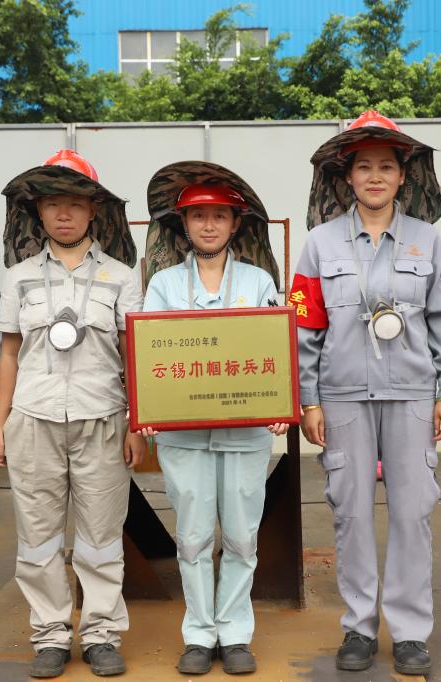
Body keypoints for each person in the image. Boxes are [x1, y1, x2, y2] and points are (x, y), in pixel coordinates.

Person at [291, 110, 441, 675]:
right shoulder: (319, 244)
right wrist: (309, 400)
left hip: (412, 394)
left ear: (402, 176)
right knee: (351, 513)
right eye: (363, 167)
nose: (374, 176)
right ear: (347, 177)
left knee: (413, 513)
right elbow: (305, 328)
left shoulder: (426, 240)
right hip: (342, 397)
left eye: (385, 167)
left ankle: (410, 632)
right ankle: (359, 628)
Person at [0, 150, 145, 679]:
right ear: (38, 211)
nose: (64, 214)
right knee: (38, 536)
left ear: (93, 210)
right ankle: (51, 635)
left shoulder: (121, 277)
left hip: (103, 418)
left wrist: (137, 423)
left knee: (101, 535)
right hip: (33, 418)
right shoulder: (18, 277)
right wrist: (0, 421)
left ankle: (100, 633)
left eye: (75, 204)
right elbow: (9, 352)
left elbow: (133, 355)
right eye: (53, 203)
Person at [139, 161, 287, 676]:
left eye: (219, 216)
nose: (208, 225)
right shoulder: (162, 284)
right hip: (184, 436)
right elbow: (151, 355)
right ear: (183, 224)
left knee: (243, 536)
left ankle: (236, 632)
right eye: (198, 216)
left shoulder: (258, 280)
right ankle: (199, 634)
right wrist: (148, 407)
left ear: (235, 224)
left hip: (245, 433)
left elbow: (274, 348)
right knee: (194, 537)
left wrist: (280, 404)